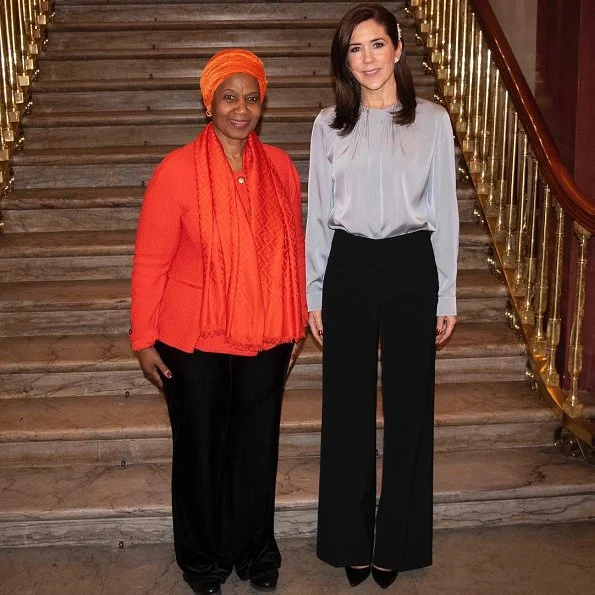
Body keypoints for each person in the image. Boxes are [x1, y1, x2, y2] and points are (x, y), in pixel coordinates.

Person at [130, 49, 307, 595]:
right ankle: (203, 561)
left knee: (257, 449)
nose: (241, 109)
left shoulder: (278, 166)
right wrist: (142, 339)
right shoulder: (177, 169)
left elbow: (292, 249)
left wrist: (296, 319)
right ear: (209, 102)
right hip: (193, 340)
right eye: (229, 97)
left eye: (252, 98)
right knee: (200, 451)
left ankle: (254, 553)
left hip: (267, 335)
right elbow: (151, 260)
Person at [306, 4, 459, 589]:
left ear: (397, 46)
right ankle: (349, 537)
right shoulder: (329, 125)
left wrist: (446, 294)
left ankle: (396, 540)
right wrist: (314, 289)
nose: (366, 59)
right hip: (348, 264)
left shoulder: (434, 122)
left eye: (375, 44)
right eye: (354, 49)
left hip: (410, 263)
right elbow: (318, 214)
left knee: (409, 408)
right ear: (344, 60)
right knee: (345, 408)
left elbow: (444, 213)